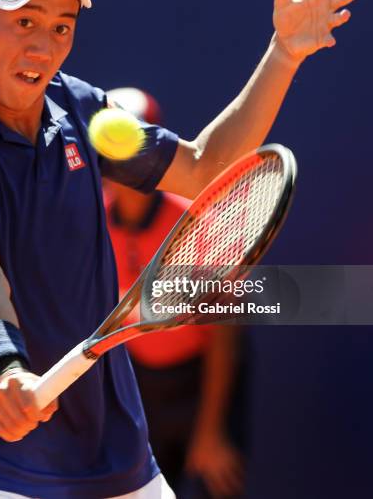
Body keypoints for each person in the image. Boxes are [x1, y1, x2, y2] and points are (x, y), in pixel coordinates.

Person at [0, 0, 372, 498]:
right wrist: (4, 367)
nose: (43, 48)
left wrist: (285, 53)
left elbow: (202, 166)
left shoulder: (81, 112)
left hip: (122, 463)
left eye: (61, 27)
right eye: (25, 20)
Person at [104, 88, 246, 499]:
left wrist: (210, 432)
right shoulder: (91, 218)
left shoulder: (193, 222)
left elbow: (224, 337)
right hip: (139, 386)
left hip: (203, 383)